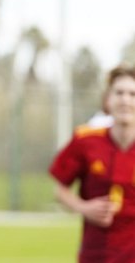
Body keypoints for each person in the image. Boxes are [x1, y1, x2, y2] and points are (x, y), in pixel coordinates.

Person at [49, 65, 135, 263]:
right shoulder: (86, 140)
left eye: (132, 94)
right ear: (108, 100)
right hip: (96, 254)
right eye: (119, 93)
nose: (125, 100)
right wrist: (84, 208)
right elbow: (60, 190)